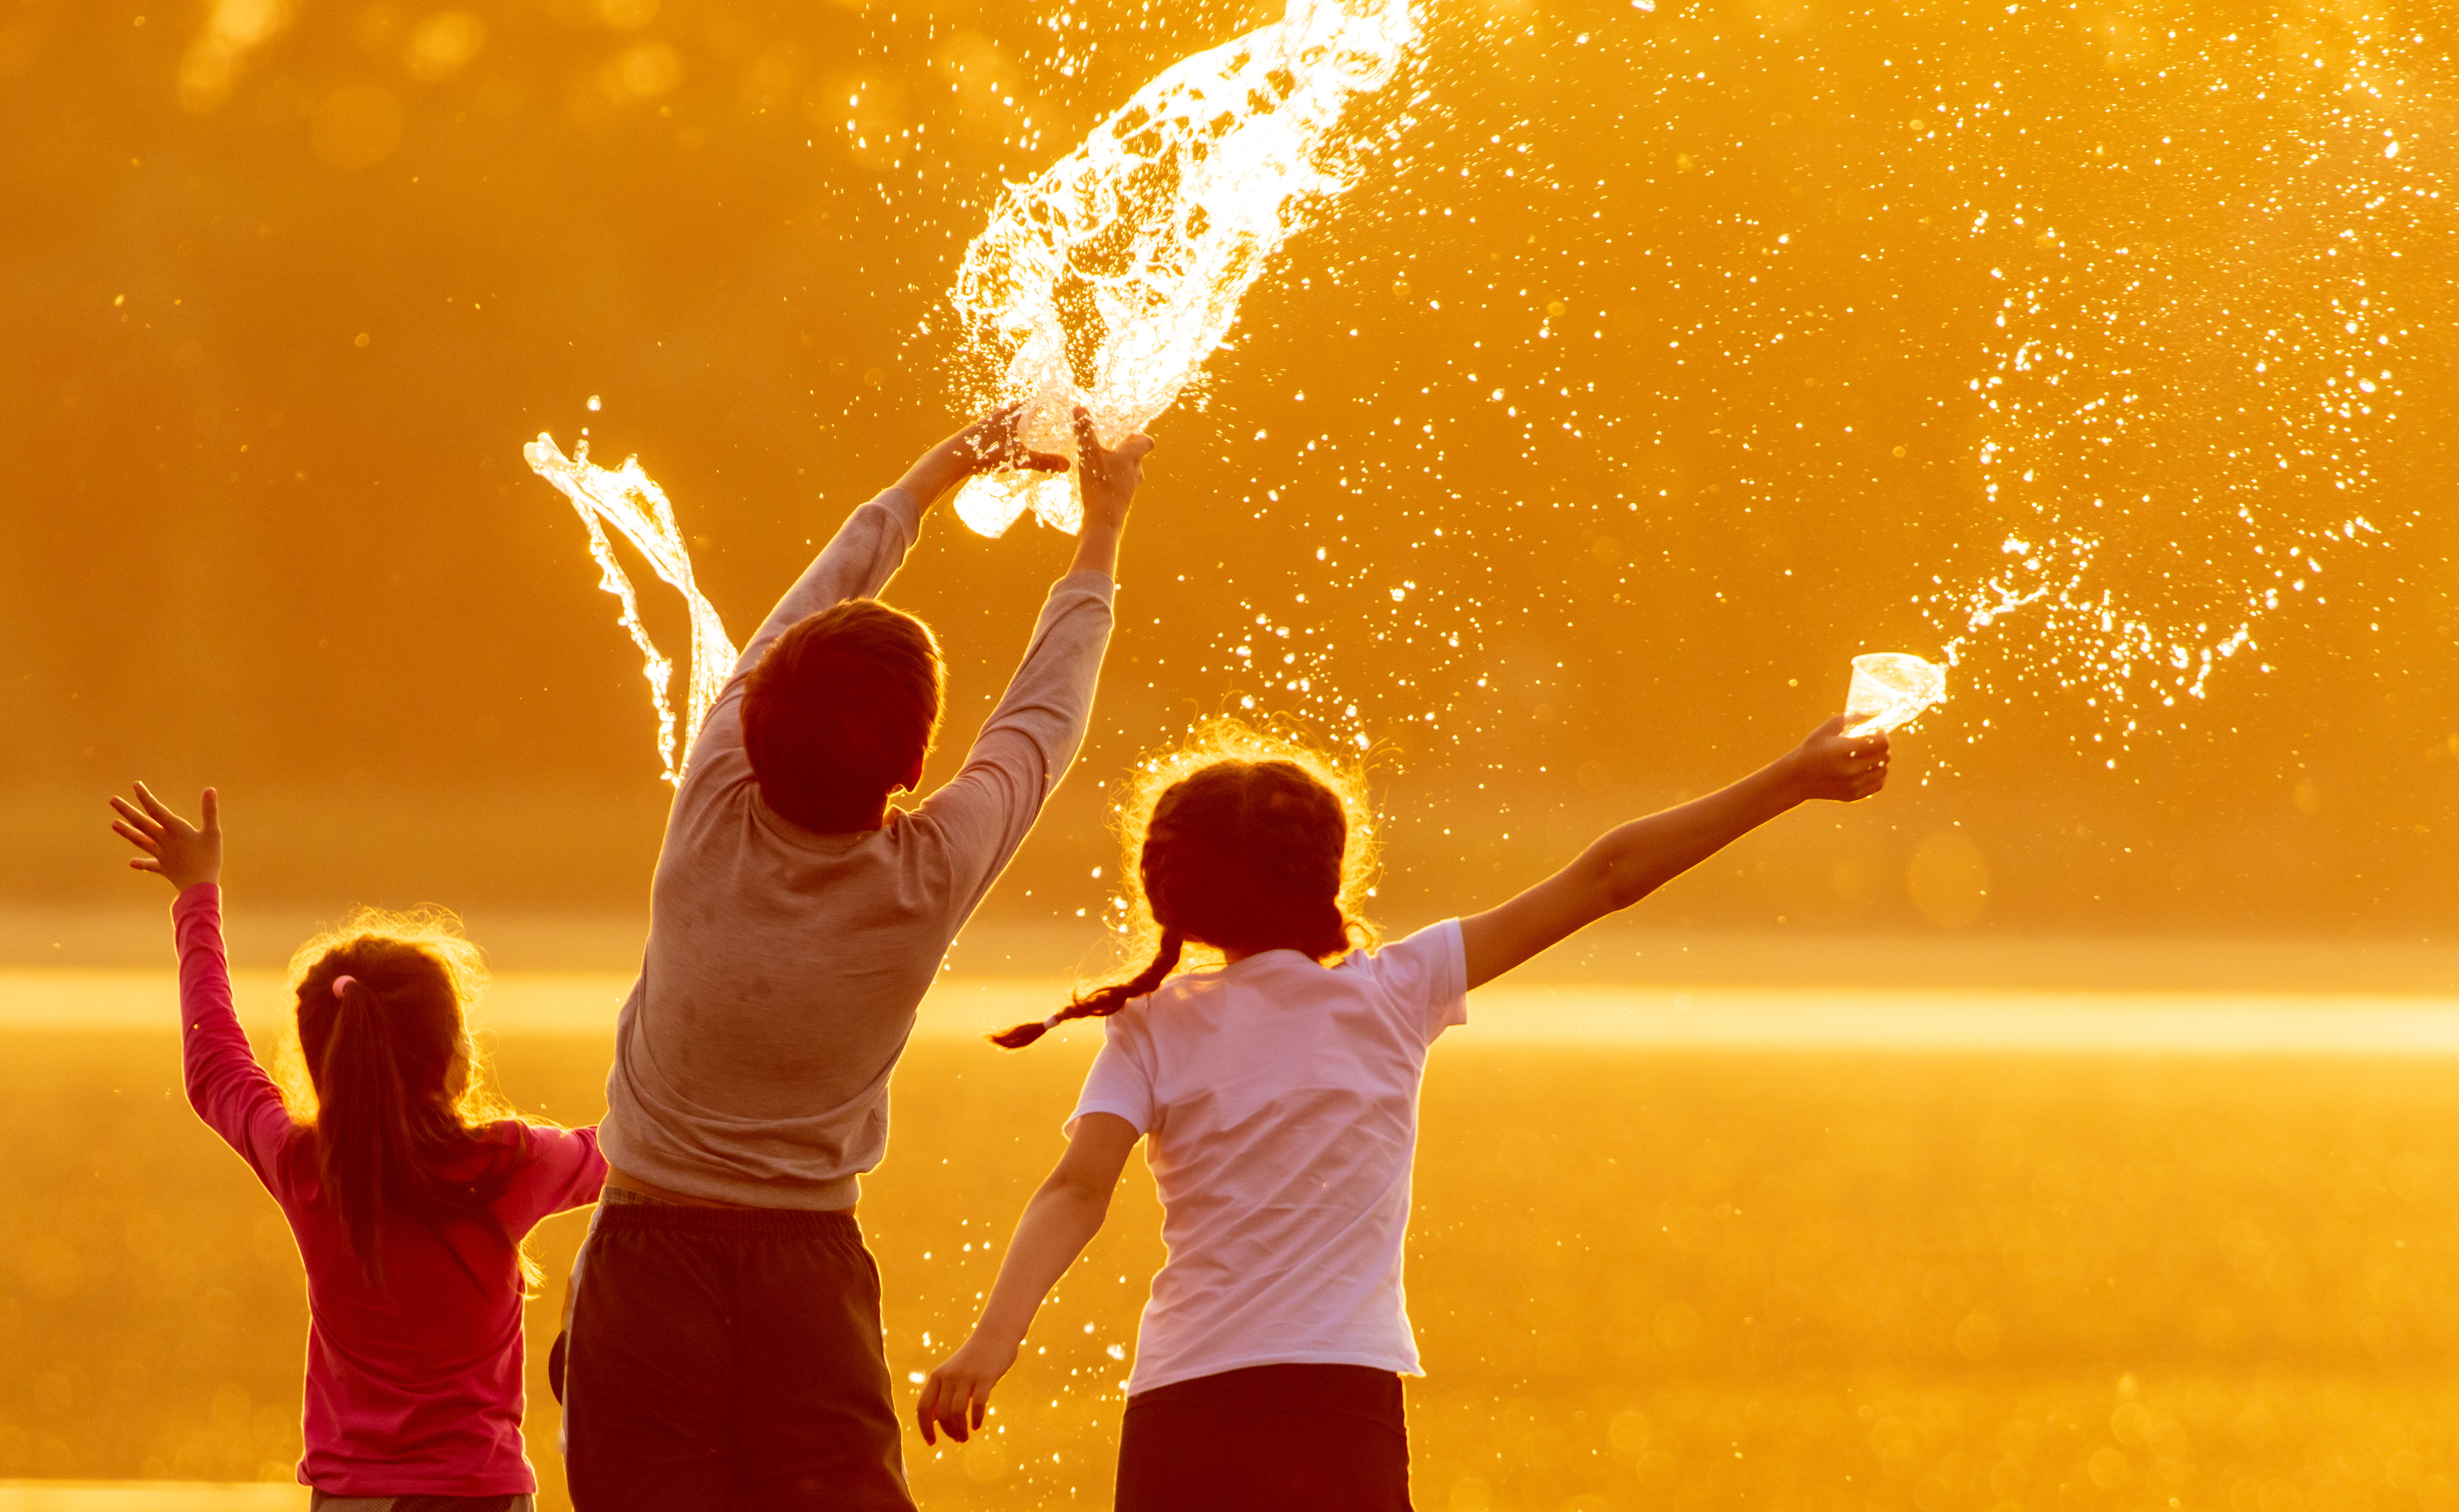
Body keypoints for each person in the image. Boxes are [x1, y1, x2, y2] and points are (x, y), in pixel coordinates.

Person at [914, 714, 1892, 1510]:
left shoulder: (1152, 1028)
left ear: (1172, 889)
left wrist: (993, 1341)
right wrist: (1787, 780)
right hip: (1336, 1408)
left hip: (1182, 1413)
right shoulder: (1396, 990)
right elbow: (1606, 877)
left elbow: (1076, 1190)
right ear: (1325, 870)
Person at [558, 403, 1153, 1511]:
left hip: (643, 1257)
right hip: (805, 1268)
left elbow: (811, 605)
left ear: (758, 712)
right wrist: (1100, 530)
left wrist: (932, 479)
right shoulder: (931, 871)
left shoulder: (710, 804)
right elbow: (1044, 717)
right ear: (916, 757)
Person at [107, 782, 607, 1512]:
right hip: (484, 1498)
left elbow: (213, 1061)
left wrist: (197, 894)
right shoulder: (508, 1166)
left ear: (324, 1060)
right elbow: (648, 1144)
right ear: (454, 1060)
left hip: (353, 1500)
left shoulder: (308, 1168)